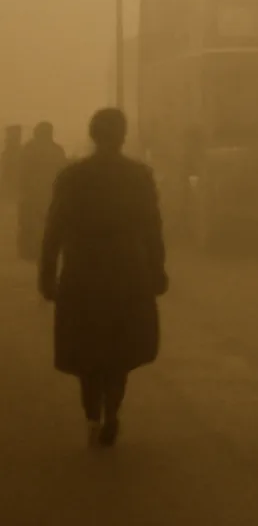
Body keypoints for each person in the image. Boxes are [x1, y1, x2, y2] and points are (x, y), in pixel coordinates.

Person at [38, 108, 168, 448]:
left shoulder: (71, 177)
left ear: (93, 135)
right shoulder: (139, 177)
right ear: (122, 136)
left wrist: (46, 274)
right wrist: (157, 270)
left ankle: (92, 414)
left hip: (82, 273)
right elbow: (153, 230)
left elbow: (53, 230)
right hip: (127, 272)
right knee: (120, 350)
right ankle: (112, 410)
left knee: (87, 350)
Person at [17, 121, 67, 260]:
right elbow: (62, 172)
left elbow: (22, 172)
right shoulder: (57, 150)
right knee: (47, 223)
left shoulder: (28, 149)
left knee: (30, 223)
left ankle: (28, 251)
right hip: (48, 193)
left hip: (33, 194)